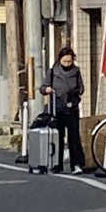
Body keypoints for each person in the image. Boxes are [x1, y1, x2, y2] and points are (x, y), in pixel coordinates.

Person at [40, 46, 85, 174]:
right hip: (57, 108)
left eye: (69, 62)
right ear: (60, 60)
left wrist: (76, 93)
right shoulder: (53, 71)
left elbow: (81, 88)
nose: (67, 64)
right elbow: (43, 88)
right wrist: (47, 90)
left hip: (72, 107)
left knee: (74, 138)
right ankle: (56, 164)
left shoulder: (76, 71)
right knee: (58, 137)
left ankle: (76, 164)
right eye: (65, 62)